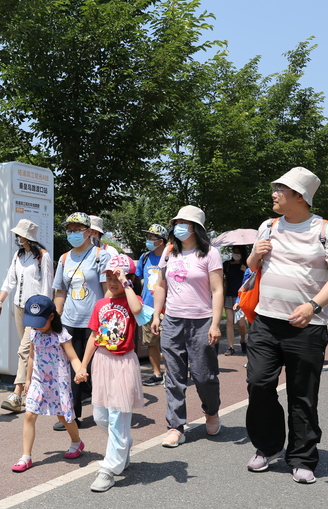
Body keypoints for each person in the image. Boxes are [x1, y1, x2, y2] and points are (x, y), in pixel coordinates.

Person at [244, 167, 328, 484]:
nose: (274, 194)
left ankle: (303, 457)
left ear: (299, 196)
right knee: (259, 384)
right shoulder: (268, 226)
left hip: (308, 327)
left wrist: (313, 305)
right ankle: (267, 447)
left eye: (280, 189)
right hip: (265, 322)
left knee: (302, 396)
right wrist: (254, 255)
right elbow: (253, 268)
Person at [150, 205, 224, 448]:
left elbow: (217, 289)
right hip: (172, 321)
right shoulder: (169, 252)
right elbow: (161, 285)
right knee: (174, 377)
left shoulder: (209, 253)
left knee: (204, 376)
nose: (178, 226)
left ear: (196, 227)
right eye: (176, 221)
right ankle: (175, 426)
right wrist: (157, 316)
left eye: (184, 222)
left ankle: (211, 413)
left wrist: (215, 324)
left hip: (201, 322)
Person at [76, 254, 149, 492]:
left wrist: (125, 282)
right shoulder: (100, 305)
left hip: (123, 363)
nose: (112, 281)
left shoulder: (132, 299)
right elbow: (94, 337)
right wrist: (82, 365)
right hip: (102, 362)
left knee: (118, 417)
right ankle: (122, 445)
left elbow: (138, 309)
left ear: (128, 278)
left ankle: (109, 469)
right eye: (108, 277)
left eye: (116, 276)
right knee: (101, 416)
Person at [11, 295, 86, 472]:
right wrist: (28, 379)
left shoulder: (61, 336)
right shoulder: (34, 333)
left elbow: (73, 357)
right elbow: (31, 357)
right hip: (38, 382)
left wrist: (80, 371)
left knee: (63, 417)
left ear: (52, 316)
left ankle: (77, 442)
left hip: (58, 384)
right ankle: (26, 456)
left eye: (39, 321)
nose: (36, 325)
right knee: (29, 415)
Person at [52, 212, 110, 430]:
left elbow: (107, 291)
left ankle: (106, 411)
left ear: (88, 231)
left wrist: (106, 318)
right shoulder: (64, 258)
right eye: (69, 229)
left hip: (95, 323)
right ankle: (72, 414)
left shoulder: (100, 256)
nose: (73, 233)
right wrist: (56, 320)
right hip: (70, 321)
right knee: (70, 368)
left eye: (77, 229)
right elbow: (60, 291)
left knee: (98, 368)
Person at [0, 219, 54, 413]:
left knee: (24, 349)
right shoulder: (18, 255)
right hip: (19, 307)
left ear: (28, 237)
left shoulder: (43, 257)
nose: (18, 238)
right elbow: (10, 280)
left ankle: (17, 393)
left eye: (20, 234)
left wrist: (46, 313)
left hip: (35, 311)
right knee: (30, 353)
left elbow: (47, 288)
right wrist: (0, 301)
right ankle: (36, 390)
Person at [135, 223, 168, 385]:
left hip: (167, 308)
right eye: (147, 237)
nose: (148, 240)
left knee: (169, 343)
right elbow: (136, 278)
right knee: (151, 342)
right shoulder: (145, 257)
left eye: (151, 238)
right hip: (148, 307)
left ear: (161, 241)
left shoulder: (171, 257)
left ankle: (170, 373)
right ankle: (157, 374)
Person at [223, 245, 248, 356]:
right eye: (234, 252)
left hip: (241, 297)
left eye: (238, 252)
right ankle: (230, 347)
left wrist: (245, 270)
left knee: (241, 323)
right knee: (229, 322)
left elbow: (252, 278)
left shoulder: (246, 265)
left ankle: (243, 341)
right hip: (229, 295)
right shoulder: (226, 265)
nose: (236, 254)